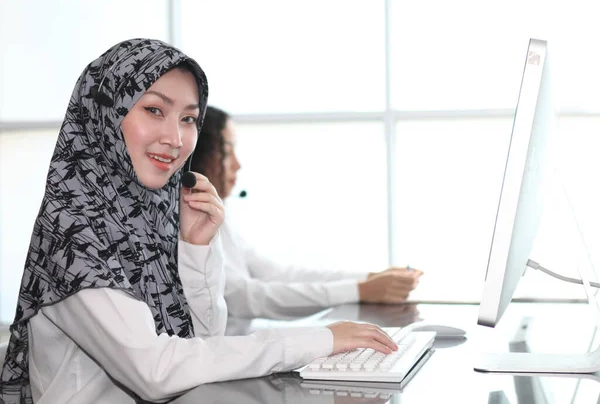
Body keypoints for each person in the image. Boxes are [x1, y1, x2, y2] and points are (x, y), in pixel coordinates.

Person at [0, 39, 398, 404]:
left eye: (189, 119)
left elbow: (203, 341)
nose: (175, 138)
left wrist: (196, 248)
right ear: (106, 114)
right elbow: (156, 371)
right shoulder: (75, 231)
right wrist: (316, 341)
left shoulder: (147, 217)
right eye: (154, 110)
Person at [190, 106, 424, 320]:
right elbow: (244, 297)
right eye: (228, 151)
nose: (238, 165)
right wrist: (360, 290)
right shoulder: (189, 221)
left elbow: (277, 274)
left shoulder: (220, 218)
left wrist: (370, 278)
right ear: (201, 153)